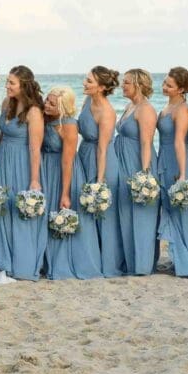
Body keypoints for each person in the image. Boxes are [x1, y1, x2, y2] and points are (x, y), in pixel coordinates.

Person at [0, 66, 46, 281]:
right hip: (5, 161)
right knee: (4, 209)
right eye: (7, 82)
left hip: (23, 164)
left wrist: (34, 180)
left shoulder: (34, 112)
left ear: (24, 85)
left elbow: (35, 148)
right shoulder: (7, 103)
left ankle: (24, 264)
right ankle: (6, 261)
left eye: (11, 83)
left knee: (21, 211)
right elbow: (1, 136)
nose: (7, 86)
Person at [43, 85, 102, 280]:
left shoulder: (68, 125)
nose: (47, 105)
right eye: (47, 100)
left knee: (63, 211)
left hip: (64, 172)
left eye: (52, 103)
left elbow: (67, 161)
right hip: (47, 170)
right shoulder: (45, 119)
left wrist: (65, 193)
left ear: (62, 107)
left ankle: (67, 261)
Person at [155, 67, 188, 279]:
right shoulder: (168, 106)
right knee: (168, 207)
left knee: (180, 211)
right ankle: (177, 258)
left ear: (181, 89)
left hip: (177, 160)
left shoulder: (183, 110)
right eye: (164, 83)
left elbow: (180, 142)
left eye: (169, 85)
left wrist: (183, 174)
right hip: (164, 157)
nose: (164, 87)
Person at [113, 69, 160, 276]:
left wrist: (145, 174)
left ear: (139, 85)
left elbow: (146, 143)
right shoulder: (130, 106)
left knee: (141, 214)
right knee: (125, 212)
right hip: (122, 161)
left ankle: (142, 264)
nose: (122, 86)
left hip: (137, 162)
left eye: (127, 83)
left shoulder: (146, 110)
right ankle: (128, 260)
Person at [78, 66, 122, 277]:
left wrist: (100, 179)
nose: (84, 83)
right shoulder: (87, 101)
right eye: (86, 79)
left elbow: (103, 148)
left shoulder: (107, 112)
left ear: (102, 87)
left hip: (101, 161)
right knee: (83, 206)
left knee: (101, 212)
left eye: (89, 81)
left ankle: (106, 261)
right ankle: (88, 254)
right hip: (84, 154)